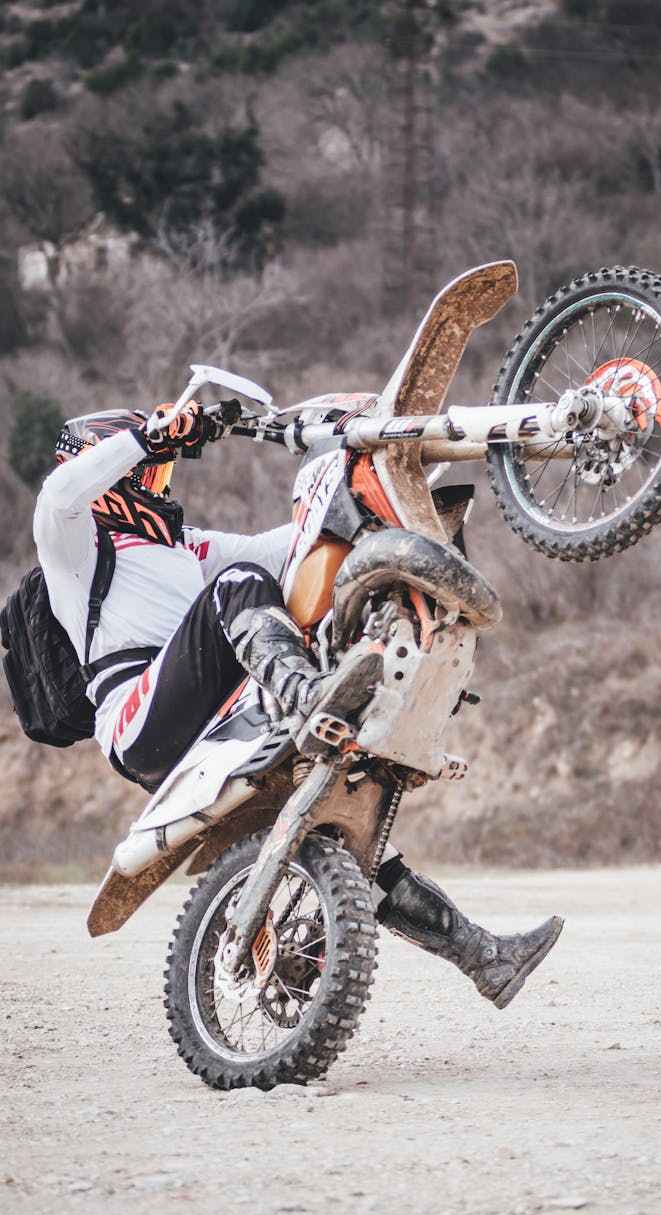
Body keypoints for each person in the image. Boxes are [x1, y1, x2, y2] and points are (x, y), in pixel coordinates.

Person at [35, 402, 562, 1007]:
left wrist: (381, 478)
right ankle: (309, 696)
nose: (158, 485)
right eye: (149, 474)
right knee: (237, 587)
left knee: (363, 851)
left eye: (162, 473)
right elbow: (59, 496)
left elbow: (291, 543)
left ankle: (485, 957)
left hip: (213, 712)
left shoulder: (185, 546)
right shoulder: (75, 545)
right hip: (139, 718)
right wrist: (149, 436)